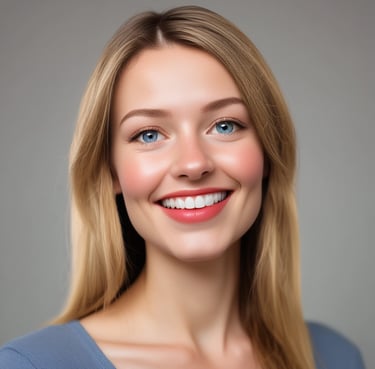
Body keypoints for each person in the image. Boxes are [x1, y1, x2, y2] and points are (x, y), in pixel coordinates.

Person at [0, 5, 366, 369]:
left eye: (224, 125)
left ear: (268, 152)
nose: (193, 164)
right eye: (149, 134)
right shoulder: (34, 364)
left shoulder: (336, 357)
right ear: (111, 172)